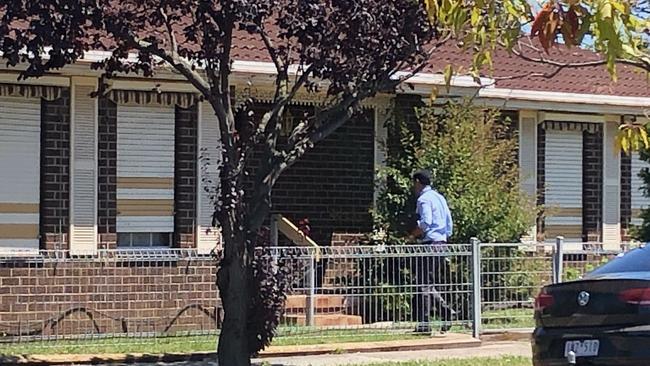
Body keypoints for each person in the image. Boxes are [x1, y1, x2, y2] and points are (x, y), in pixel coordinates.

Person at [409, 170, 456, 334]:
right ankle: (445, 312)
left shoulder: (424, 199)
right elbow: (449, 223)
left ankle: (424, 324)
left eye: (413, 184)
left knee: (422, 284)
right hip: (442, 243)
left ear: (417, 182)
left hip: (429, 244)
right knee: (428, 284)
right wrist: (444, 237)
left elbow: (426, 222)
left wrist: (412, 235)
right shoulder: (440, 197)